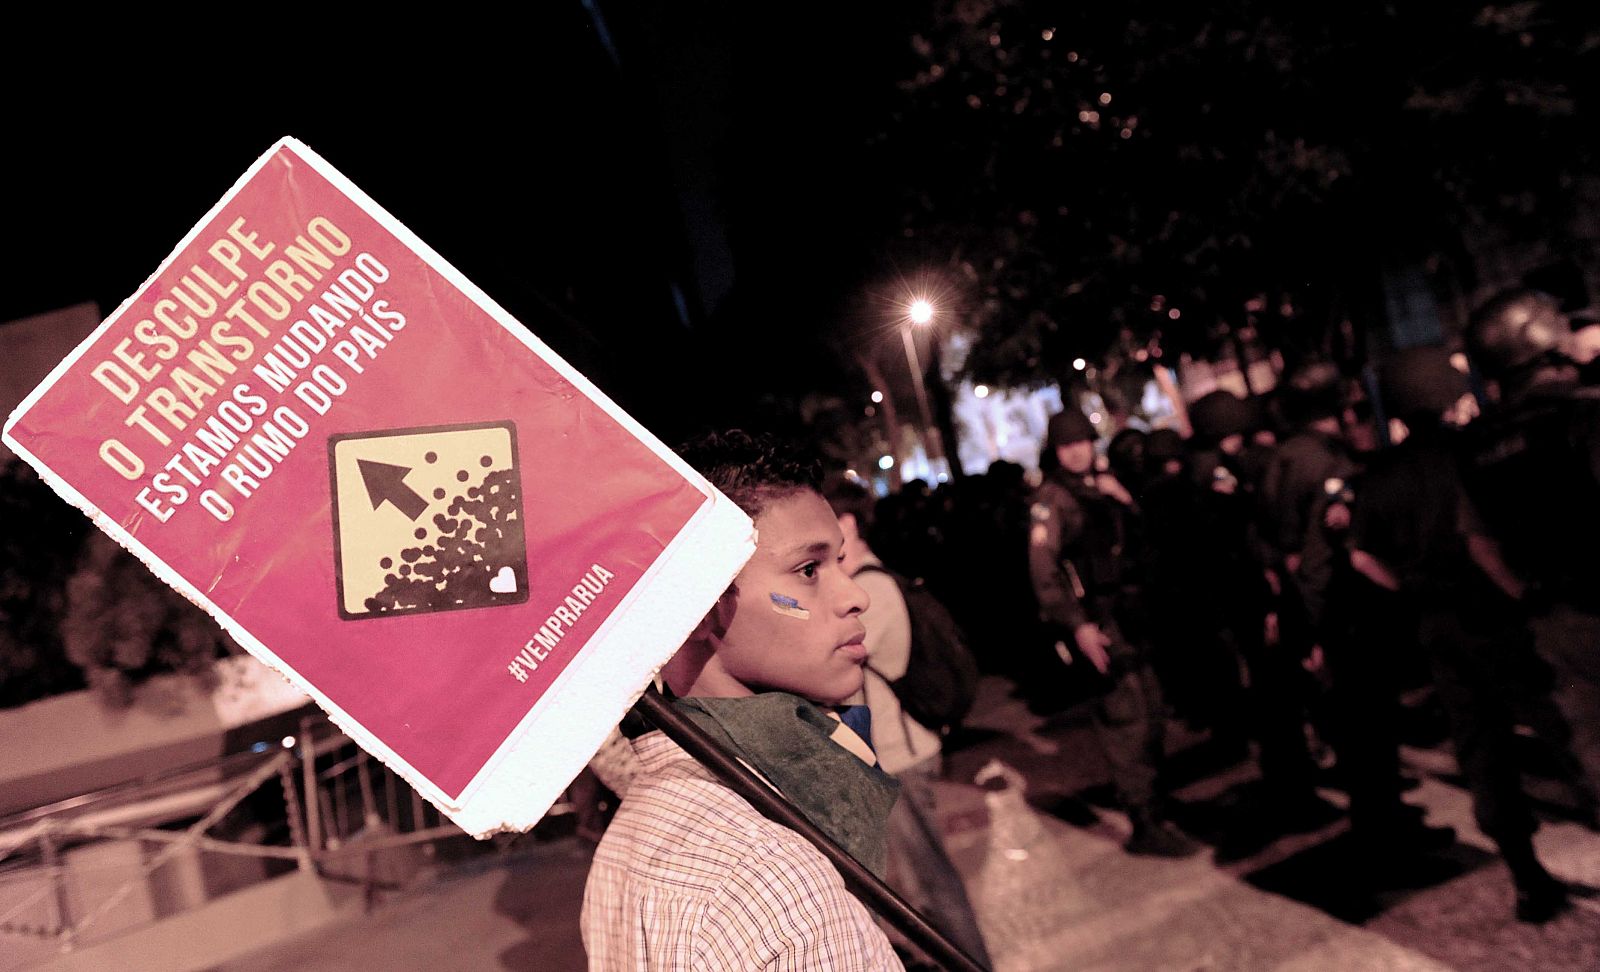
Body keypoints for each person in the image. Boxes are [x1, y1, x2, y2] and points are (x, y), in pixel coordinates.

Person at [581, 430, 905, 969]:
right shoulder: (783, 889)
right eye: (808, 570)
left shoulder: (623, 842)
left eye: (841, 563)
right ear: (699, 605)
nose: (855, 596)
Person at [1350, 347, 1578, 922]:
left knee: (1482, 749)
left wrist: (1407, 587)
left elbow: (1361, 555)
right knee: (1565, 731)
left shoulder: (1379, 474)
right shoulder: (1475, 448)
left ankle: (1527, 877)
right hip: (1499, 610)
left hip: (1439, 625)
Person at [823, 476, 993, 968]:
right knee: (920, 887)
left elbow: (831, 667)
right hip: (890, 755)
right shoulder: (859, 586)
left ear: (847, 525)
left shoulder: (871, 589)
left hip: (900, 756)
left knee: (932, 886)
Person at [1028, 408, 1200, 857]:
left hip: (1131, 618)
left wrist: (1123, 499)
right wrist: (1079, 626)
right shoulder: (1053, 500)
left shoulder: (1101, 487)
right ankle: (1144, 819)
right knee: (1126, 720)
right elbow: (1045, 574)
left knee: (1152, 710)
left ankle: (1156, 802)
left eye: (1082, 442)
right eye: (1067, 445)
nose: (1077, 452)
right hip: (1099, 624)